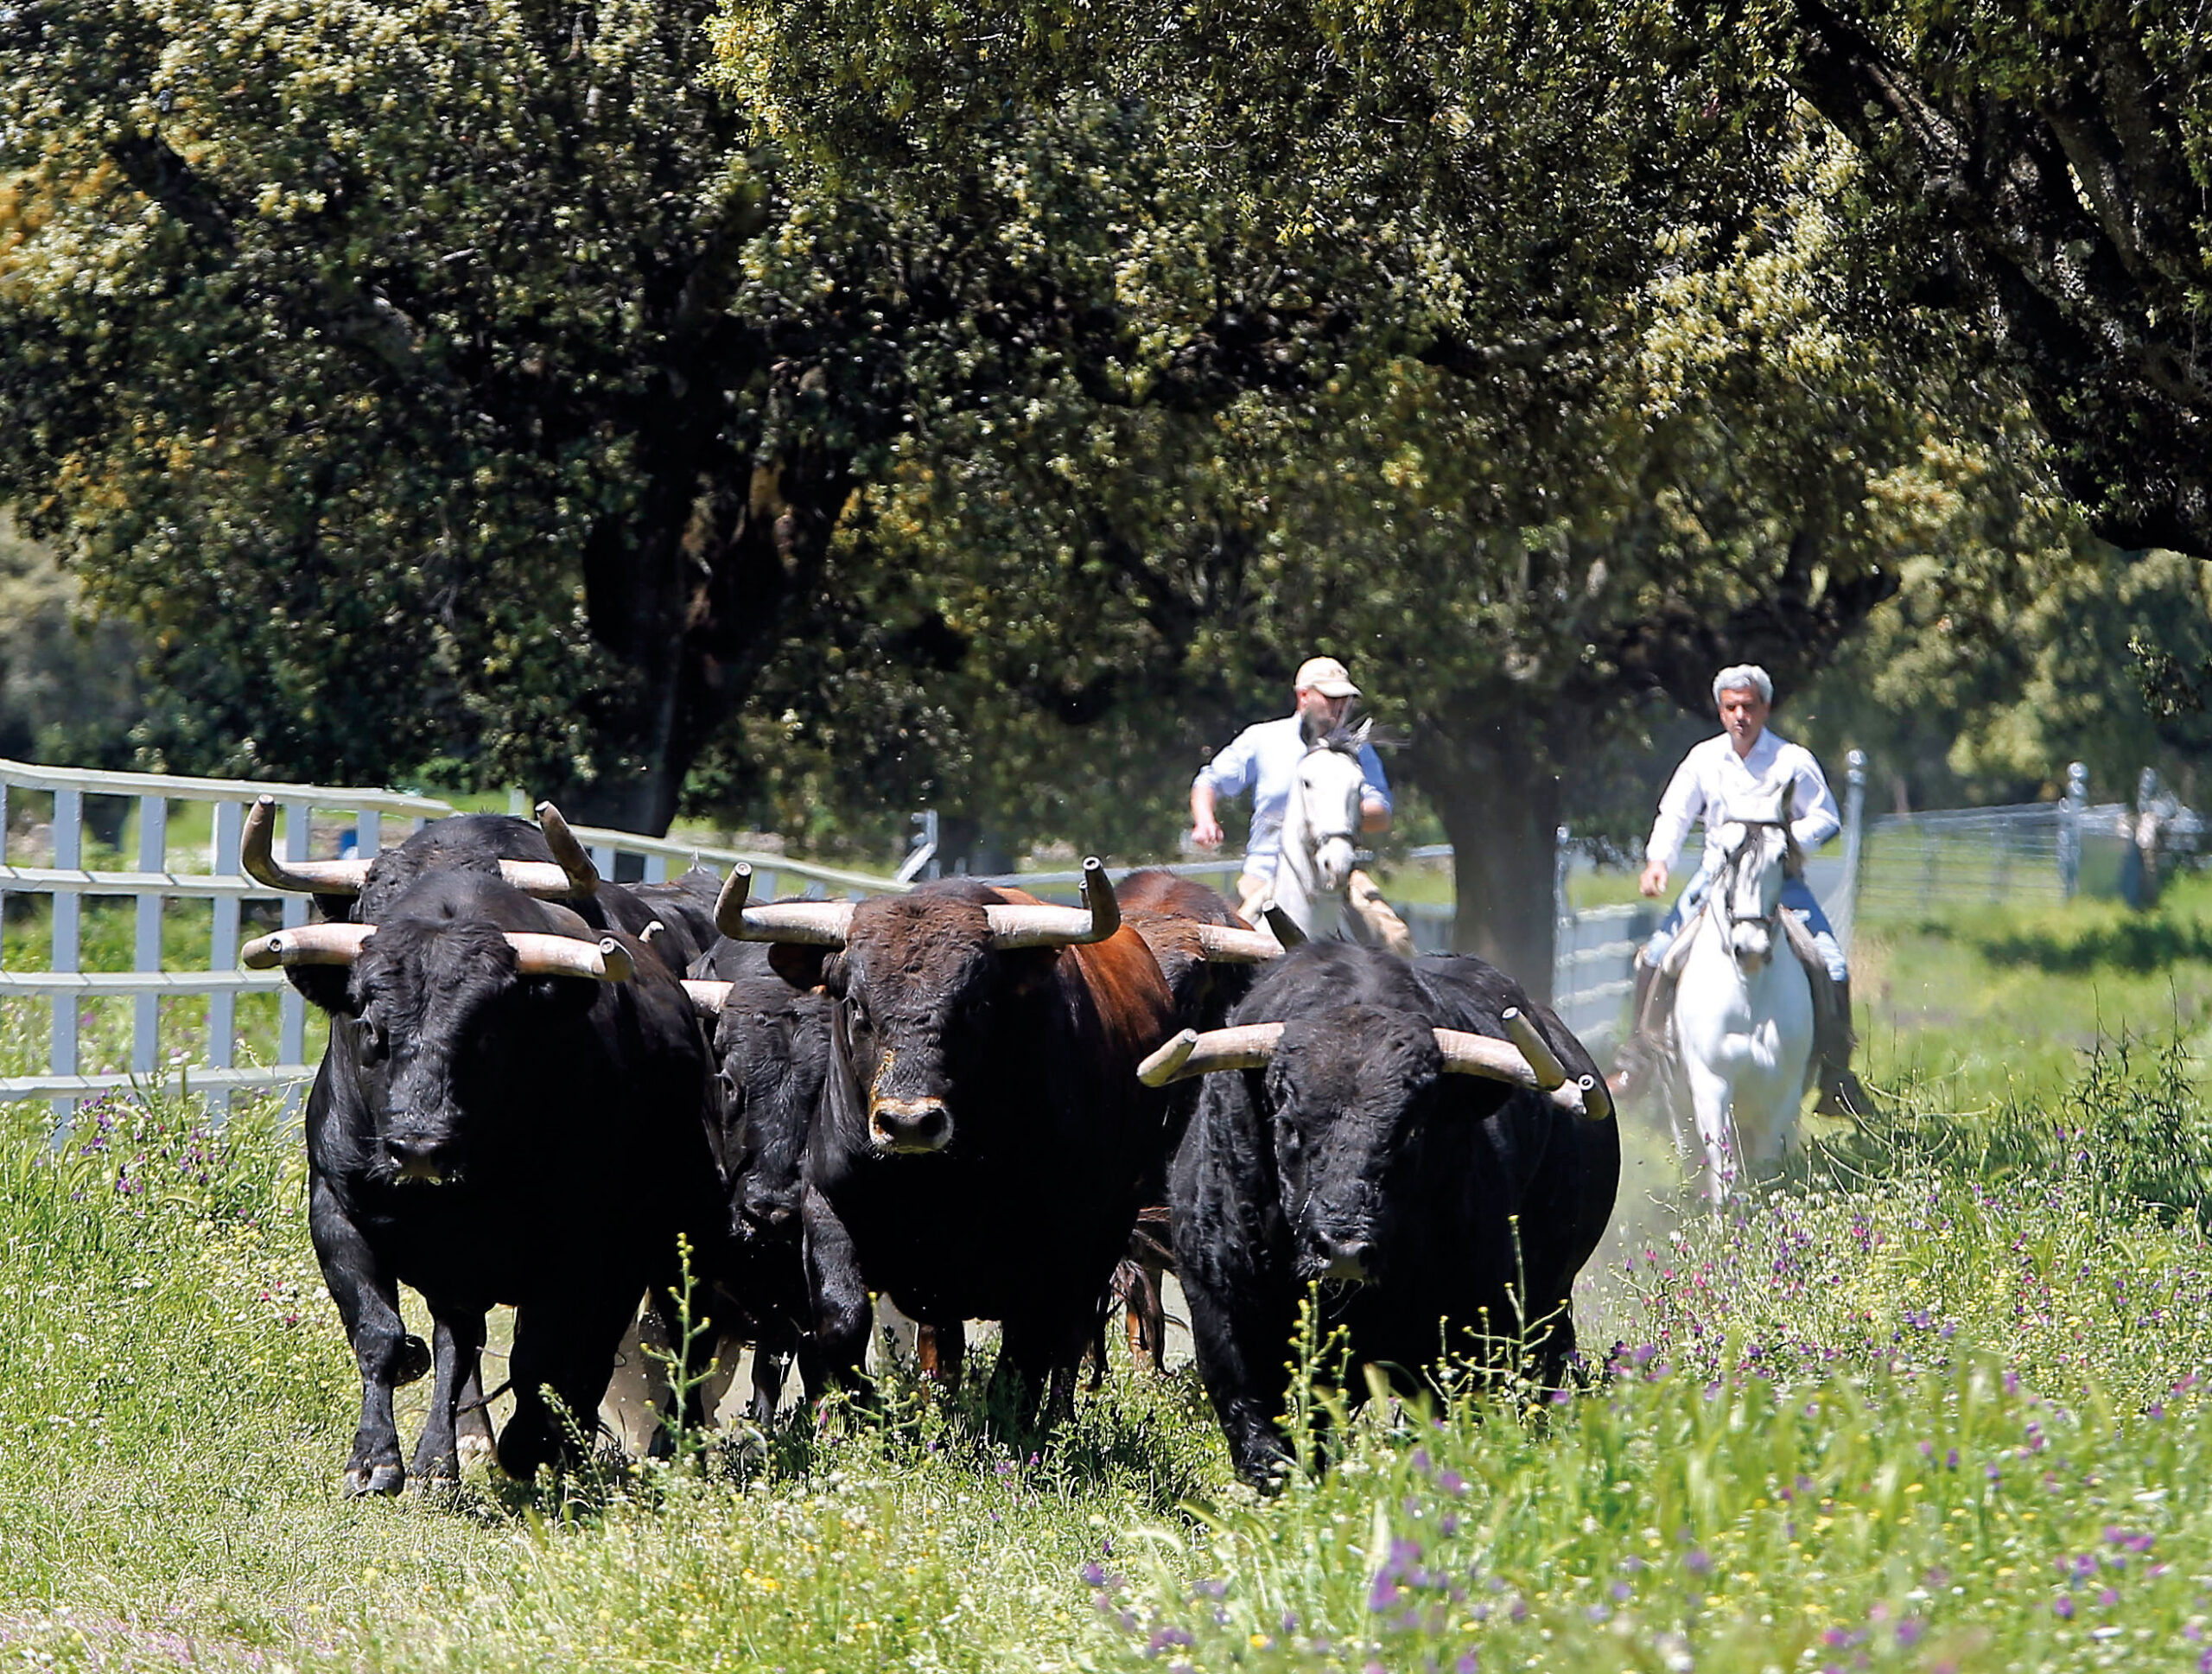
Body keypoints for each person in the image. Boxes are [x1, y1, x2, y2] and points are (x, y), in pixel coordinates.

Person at [1629, 663, 1863, 1113]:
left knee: (1831, 961)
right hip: (1715, 877)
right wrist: (1659, 861)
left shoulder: (1792, 760)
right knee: (1658, 953)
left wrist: (1790, 842)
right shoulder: (1704, 759)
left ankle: (1836, 1072)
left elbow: (1826, 816)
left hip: (1780, 880)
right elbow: (1675, 814)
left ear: (1765, 709)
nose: (1740, 716)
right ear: (1720, 711)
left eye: (1749, 707)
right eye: (1731, 707)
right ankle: (1639, 1056)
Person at [1189, 656, 1413, 955]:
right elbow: (1209, 781)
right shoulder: (1264, 738)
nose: (1339, 706)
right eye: (1330, 697)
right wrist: (1205, 820)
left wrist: (1336, 812)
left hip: (1339, 874)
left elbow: (1380, 813)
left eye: (1345, 698)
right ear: (1303, 696)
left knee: (1397, 940)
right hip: (1264, 874)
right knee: (1218, 955)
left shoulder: (1358, 749)